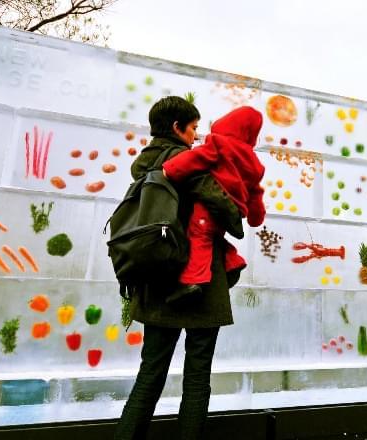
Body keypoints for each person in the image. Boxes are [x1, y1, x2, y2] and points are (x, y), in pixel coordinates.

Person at [114, 96, 246, 440]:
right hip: (199, 285)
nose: (196, 136)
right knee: (198, 377)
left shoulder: (144, 165)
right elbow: (222, 204)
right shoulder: (185, 160)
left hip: (156, 280)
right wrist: (237, 217)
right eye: (193, 128)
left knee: (150, 375)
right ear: (177, 127)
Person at [162, 106, 266, 303]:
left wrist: (169, 170)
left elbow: (194, 158)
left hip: (210, 205)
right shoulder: (254, 164)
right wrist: (255, 217)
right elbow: (256, 194)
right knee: (214, 236)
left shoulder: (219, 143)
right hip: (231, 212)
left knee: (199, 236)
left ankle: (193, 282)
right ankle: (232, 261)